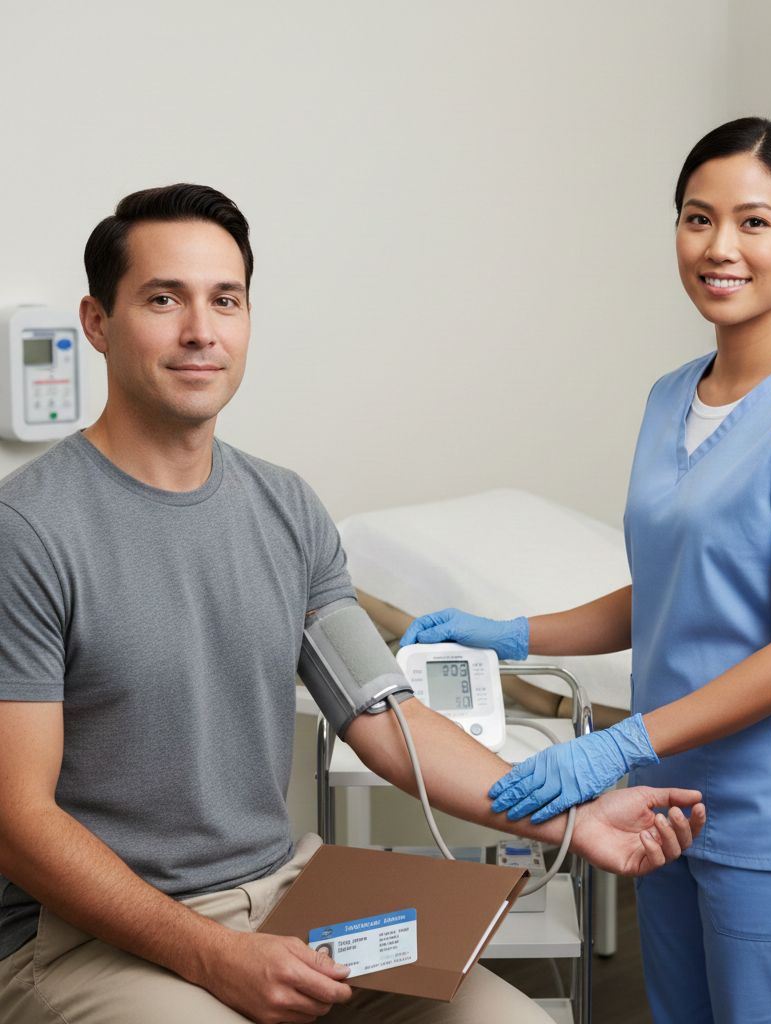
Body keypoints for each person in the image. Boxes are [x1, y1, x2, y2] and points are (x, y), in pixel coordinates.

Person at [0, 184, 707, 1024]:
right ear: (97, 322)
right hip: (89, 938)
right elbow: (18, 822)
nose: (201, 330)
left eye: (226, 300)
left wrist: (575, 816)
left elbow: (386, 717)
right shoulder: (29, 533)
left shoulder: (287, 510)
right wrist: (216, 956)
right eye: (164, 299)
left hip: (288, 899)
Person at [402, 118, 771, 1024]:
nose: (719, 248)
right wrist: (509, 634)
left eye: (754, 222)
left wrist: (618, 743)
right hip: (665, 813)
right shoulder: (672, 395)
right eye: (697, 218)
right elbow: (672, 592)